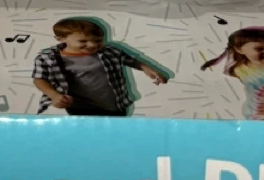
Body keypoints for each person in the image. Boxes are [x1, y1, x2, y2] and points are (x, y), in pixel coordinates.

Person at [32, 17, 167, 117]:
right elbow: (39, 79)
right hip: (81, 108)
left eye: (97, 40)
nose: (92, 45)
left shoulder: (108, 51)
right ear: (60, 38)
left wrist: (146, 68)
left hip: (115, 105)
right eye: (83, 41)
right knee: (89, 136)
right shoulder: (48, 58)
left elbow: (130, 60)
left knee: (115, 134)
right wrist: (54, 95)